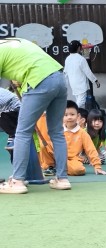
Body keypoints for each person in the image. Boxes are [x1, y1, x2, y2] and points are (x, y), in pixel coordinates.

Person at [0, 38, 69, 193]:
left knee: (22, 132)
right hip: (59, 78)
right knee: (57, 132)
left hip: (38, 80)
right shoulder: (15, 41)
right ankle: (62, 179)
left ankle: (17, 181)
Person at [40, 101, 106, 177]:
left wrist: (97, 166)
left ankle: (58, 167)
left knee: (78, 170)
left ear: (78, 116)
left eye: (72, 114)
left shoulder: (82, 133)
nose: (69, 117)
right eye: (66, 115)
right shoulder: (58, 130)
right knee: (44, 145)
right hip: (57, 156)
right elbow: (50, 145)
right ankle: (50, 166)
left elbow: (90, 149)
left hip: (73, 160)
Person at [63, 40, 99, 109]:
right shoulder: (81, 59)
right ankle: (70, 111)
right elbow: (88, 72)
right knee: (81, 102)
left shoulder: (67, 59)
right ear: (78, 48)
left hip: (72, 84)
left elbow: (65, 72)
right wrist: (95, 80)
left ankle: (77, 114)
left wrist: (64, 84)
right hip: (81, 84)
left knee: (79, 102)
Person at [0, 84, 21, 153]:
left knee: (1, 115)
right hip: (10, 113)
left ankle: (14, 135)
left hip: (18, 112)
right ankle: (12, 135)